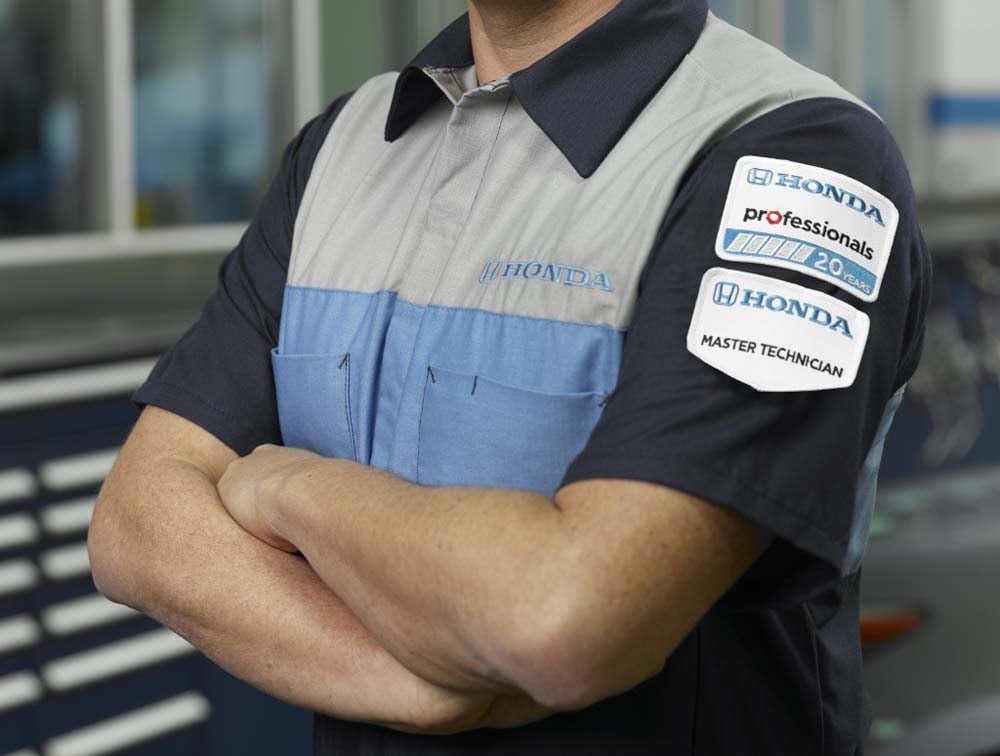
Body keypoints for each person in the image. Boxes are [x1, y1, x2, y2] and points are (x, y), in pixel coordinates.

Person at [88, 0, 931, 753]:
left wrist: (287, 487)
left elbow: (566, 621)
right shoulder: (341, 149)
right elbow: (136, 526)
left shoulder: (794, 157)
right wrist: (424, 690)